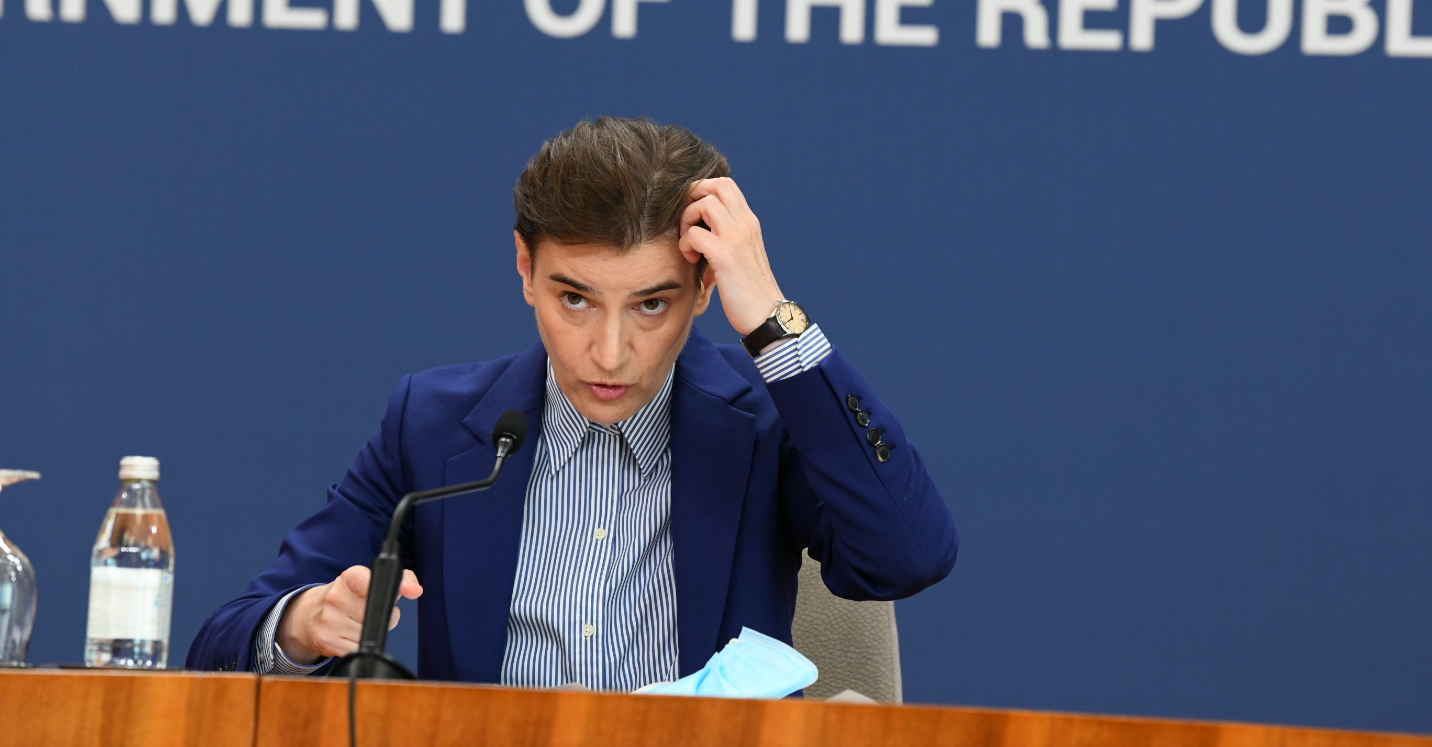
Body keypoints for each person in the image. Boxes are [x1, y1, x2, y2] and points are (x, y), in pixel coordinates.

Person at [186, 117, 957, 688]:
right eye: (576, 300)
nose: (610, 352)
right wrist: (304, 623)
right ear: (526, 270)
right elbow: (223, 640)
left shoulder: (763, 421)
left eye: (652, 305)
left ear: (704, 288)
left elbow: (909, 553)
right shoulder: (434, 423)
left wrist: (775, 323)